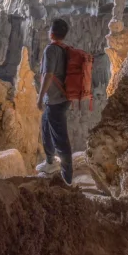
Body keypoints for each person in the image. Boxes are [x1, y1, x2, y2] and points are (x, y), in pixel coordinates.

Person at [37, 17, 74, 184]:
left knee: (60, 138)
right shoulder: (65, 49)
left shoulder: (51, 49)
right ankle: (50, 162)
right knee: (45, 127)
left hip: (55, 100)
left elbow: (48, 75)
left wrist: (39, 97)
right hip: (62, 98)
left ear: (51, 33)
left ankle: (67, 177)